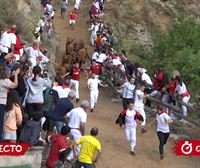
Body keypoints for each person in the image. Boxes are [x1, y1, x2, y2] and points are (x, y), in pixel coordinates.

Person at [0, 64, 19, 141]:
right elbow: (15, 85)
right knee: (0, 121)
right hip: (1, 103)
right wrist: (16, 75)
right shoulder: (5, 81)